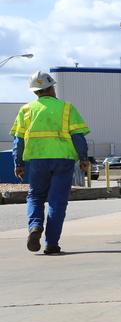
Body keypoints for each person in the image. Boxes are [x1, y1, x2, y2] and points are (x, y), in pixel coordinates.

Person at [10, 71, 91, 255]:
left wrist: (18, 163)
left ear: (35, 92)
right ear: (52, 88)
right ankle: (51, 244)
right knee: (57, 201)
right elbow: (78, 137)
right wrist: (84, 159)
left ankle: (35, 226)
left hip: (37, 161)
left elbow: (18, 141)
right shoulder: (67, 108)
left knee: (36, 196)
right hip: (64, 161)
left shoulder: (26, 110)